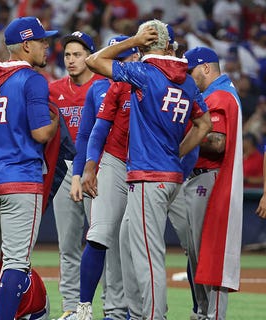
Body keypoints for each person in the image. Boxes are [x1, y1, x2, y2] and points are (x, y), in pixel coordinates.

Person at [85, 20, 212, 319]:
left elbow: (94, 61)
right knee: (133, 243)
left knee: (147, 256)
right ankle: (142, 312)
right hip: (170, 175)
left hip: (148, 176)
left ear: (144, 45)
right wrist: (177, 151)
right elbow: (204, 124)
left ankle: (155, 316)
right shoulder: (187, 79)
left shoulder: (144, 73)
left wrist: (132, 40)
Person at [0, 16, 57, 320]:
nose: (47, 47)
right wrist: (55, 121)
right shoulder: (32, 79)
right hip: (20, 179)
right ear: (27, 45)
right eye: (43, 42)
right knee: (16, 262)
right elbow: (41, 134)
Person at [168, 46, 243, 320]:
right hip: (204, 179)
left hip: (208, 180)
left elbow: (218, 142)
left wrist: (186, 129)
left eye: (191, 71)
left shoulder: (218, 96)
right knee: (199, 253)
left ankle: (211, 314)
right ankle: (203, 312)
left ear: (207, 68)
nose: (188, 76)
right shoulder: (218, 93)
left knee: (207, 253)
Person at [74, 35, 140, 320]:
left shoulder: (152, 82)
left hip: (144, 166)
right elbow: (92, 131)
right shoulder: (103, 88)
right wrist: (86, 168)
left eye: (124, 57)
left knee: (131, 243)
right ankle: (84, 308)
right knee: (99, 234)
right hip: (111, 163)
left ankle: (132, 310)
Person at [48, 30, 103, 320]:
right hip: (65, 168)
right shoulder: (53, 89)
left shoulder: (104, 86)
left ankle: (110, 305)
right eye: (67, 54)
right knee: (67, 244)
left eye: (78, 54)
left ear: (90, 56)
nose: (71, 60)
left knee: (101, 240)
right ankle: (71, 307)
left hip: (97, 168)